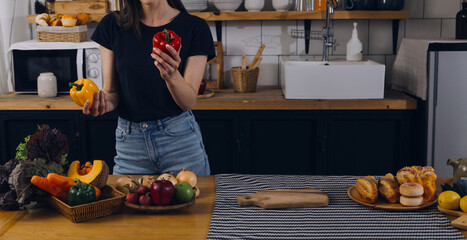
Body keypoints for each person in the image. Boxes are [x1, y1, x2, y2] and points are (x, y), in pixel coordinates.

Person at [85, 0, 215, 176]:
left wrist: (172, 75)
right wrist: (105, 102)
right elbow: (112, 91)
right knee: (126, 203)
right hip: (130, 147)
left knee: (193, 203)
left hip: (180, 144)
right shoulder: (112, 25)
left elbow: (188, 102)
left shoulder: (195, 27)